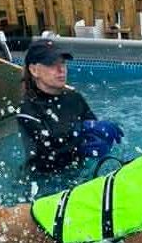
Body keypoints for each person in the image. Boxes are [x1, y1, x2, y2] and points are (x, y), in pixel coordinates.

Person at [17, 39, 123, 173]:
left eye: (62, 62)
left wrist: (102, 136)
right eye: (51, 64)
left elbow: (93, 129)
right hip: (45, 179)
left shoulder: (74, 98)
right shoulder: (27, 111)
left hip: (79, 171)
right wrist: (80, 138)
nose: (61, 70)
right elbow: (48, 154)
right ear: (34, 70)